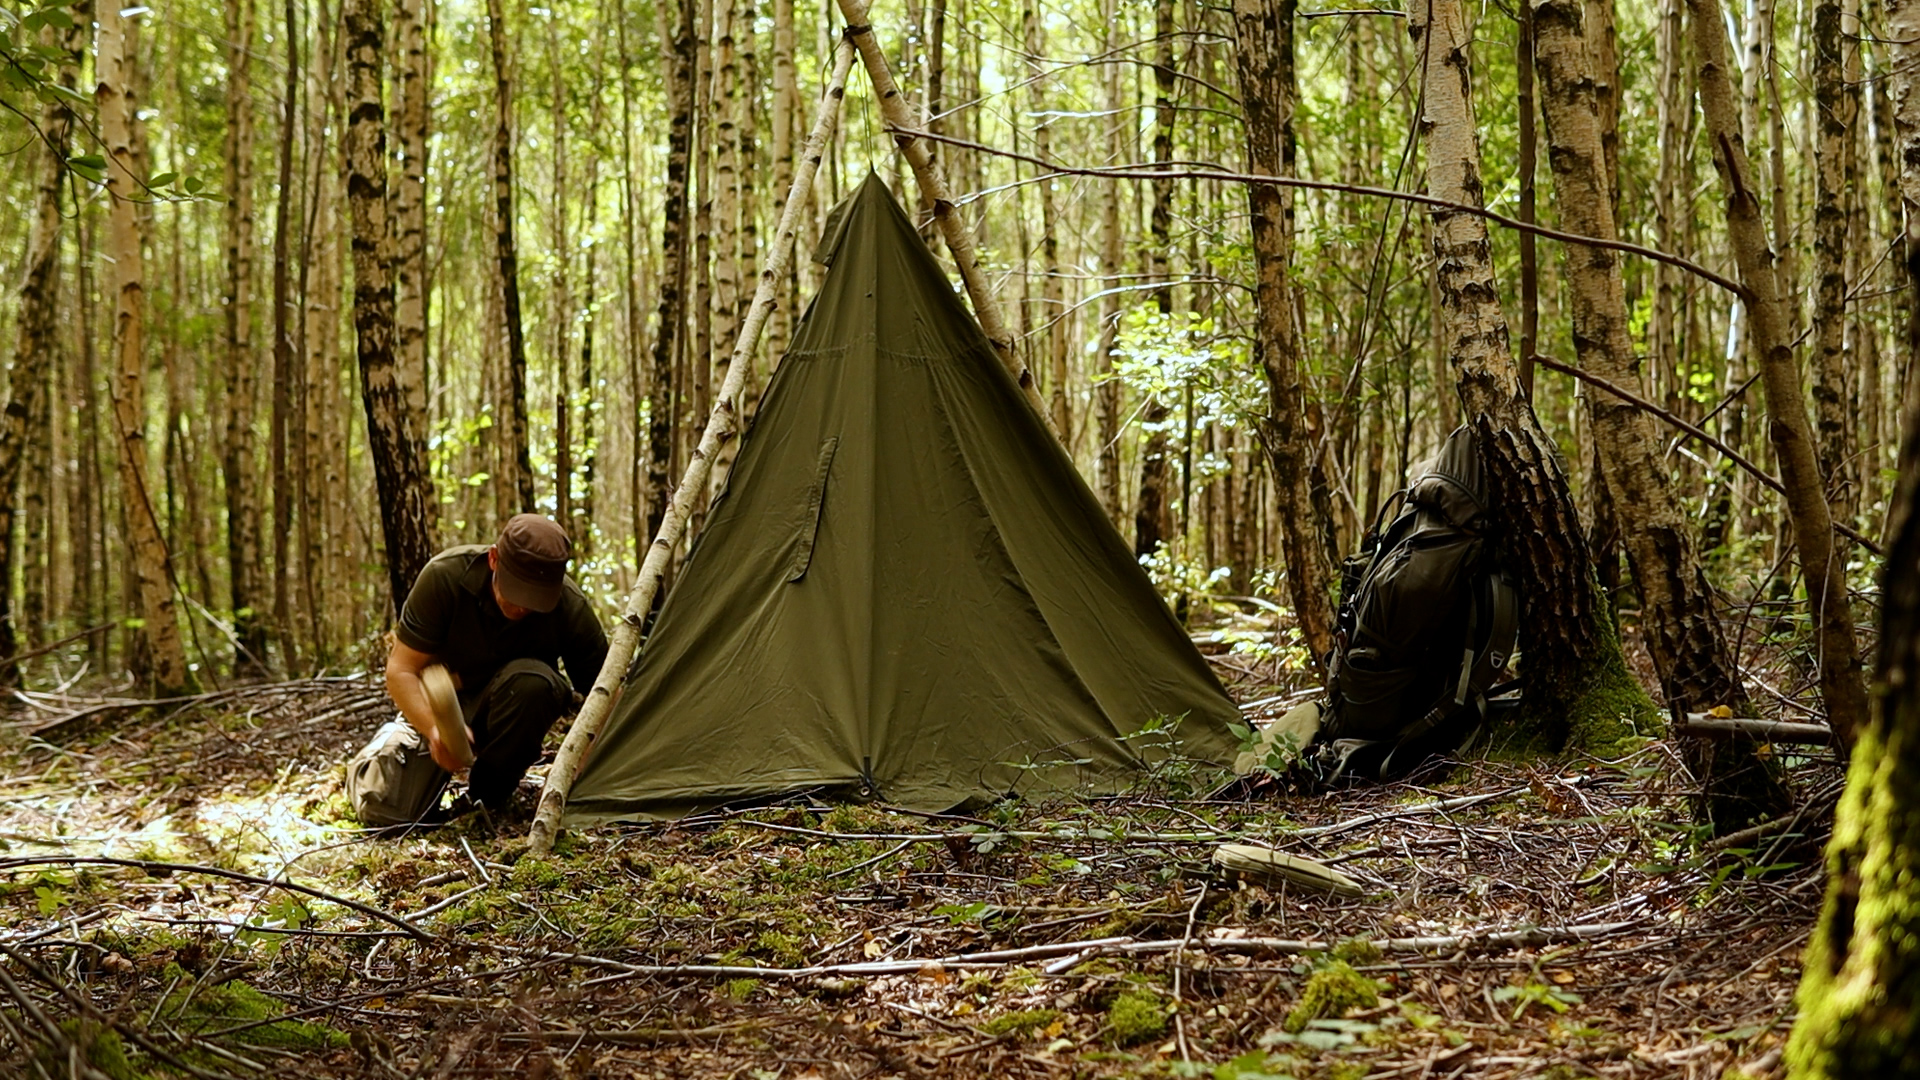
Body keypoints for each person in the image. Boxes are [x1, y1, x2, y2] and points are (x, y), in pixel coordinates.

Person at [346, 514, 608, 826]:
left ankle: (488, 796)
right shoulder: (445, 576)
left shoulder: (570, 606)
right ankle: (377, 752)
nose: (522, 606)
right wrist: (434, 730)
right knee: (388, 813)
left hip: (513, 710)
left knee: (533, 685)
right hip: (444, 709)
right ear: (494, 559)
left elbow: (605, 696)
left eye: (535, 598)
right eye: (515, 591)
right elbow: (401, 670)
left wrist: (581, 767)